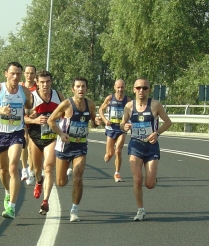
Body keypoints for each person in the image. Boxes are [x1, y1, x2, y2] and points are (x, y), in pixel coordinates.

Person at [0, 62, 33, 219]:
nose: (16, 77)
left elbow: (29, 106)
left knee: (13, 167)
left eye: (18, 74)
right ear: (6, 74)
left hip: (16, 133)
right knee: (3, 171)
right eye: (13, 73)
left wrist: (30, 114)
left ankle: (12, 207)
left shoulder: (24, 92)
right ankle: (8, 192)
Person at [47, 76, 101, 222]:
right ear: (73, 89)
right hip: (64, 146)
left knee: (78, 178)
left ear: (86, 89)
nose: (81, 89)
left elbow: (93, 122)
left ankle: (74, 210)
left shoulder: (90, 104)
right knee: (61, 182)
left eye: (83, 86)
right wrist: (61, 133)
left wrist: (97, 122)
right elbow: (50, 120)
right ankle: (67, 173)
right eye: (78, 86)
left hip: (80, 146)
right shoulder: (66, 104)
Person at [120, 78, 172, 221]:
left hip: (151, 146)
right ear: (134, 89)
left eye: (144, 88)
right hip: (135, 145)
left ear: (149, 90)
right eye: (138, 88)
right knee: (137, 179)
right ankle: (140, 210)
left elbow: (168, 122)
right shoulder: (129, 107)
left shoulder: (155, 105)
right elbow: (122, 124)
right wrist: (124, 127)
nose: (141, 91)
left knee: (149, 184)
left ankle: (153, 178)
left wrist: (157, 133)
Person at [25, 70, 65, 215]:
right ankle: (38, 180)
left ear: (51, 82)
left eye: (47, 81)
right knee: (37, 170)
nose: (45, 85)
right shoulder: (31, 97)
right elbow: (23, 118)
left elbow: (67, 114)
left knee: (48, 167)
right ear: (37, 83)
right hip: (35, 136)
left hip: (52, 137)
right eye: (42, 82)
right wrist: (34, 119)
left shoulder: (58, 96)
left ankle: (45, 201)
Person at [98, 79, 130, 182]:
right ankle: (109, 154)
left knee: (118, 150)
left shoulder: (128, 100)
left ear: (125, 88)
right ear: (114, 87)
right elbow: (100, 110)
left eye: (122, 87)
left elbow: (133, 112)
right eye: (118, 87)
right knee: (109, 154)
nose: (120, 89)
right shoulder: (110, 98)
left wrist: (129, 123)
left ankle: (117, 173)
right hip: (111, 128)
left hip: (121, 128)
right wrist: (105, 120)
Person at [20, 65, 38, 185]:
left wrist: (34, 112)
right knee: (24, 142)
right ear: (24, 74)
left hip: (33, 119)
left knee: (32, 146)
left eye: (31, 73)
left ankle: (31, 169)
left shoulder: (38, 88)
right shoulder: (20, 86)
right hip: (20, 118)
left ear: (35, 75)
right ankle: (24, 169)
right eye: (27, 73)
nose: (29, 75)